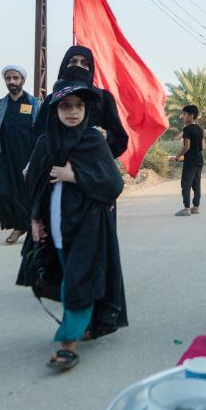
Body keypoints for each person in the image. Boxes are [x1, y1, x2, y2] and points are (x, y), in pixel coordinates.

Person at [18, 81, 128, 371]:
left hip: (89, 224)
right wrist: (35, 219)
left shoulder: (93, 141)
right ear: (55, 110)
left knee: (78, 279)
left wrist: (74, 175)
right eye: (66, 106)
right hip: (55, 224)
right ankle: (85, 325)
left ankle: (67, 345)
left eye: (79, 106)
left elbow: (113, 184)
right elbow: (36, 185)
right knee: (70, 277)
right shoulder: (45, 143)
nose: (73, 112)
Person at [32, 45, 129, 160]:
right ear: (64, 66)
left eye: (84, 63)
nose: (78, 66)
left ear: (91, 68)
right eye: (73, 62)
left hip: (92, 168)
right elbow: (37, 137)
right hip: (56, 170)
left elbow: (119, 138)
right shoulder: (51, 99)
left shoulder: (103, 98)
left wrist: (105, 137)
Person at [0, 64, 39, 245]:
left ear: (22, 80)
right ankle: (19, 224)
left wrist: (40, 157)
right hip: (5, 155)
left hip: (27, 156)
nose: (12, 81)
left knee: (25, 193)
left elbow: (41, 131)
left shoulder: (34, 103)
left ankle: (21, 227)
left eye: (15, 78)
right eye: (8, 78)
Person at [175, 105, 205, 216]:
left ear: (191, 116)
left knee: (186, 184)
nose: (182, 116)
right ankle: (196, 207)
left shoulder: (187, 129)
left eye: (184, 114)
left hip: (190, 161)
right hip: (199, 159)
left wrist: (177, 157)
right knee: (197, 184)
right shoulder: (200, 129)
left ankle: (187, 209)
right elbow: (202, 146)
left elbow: (186, 147)